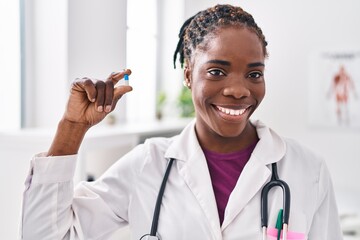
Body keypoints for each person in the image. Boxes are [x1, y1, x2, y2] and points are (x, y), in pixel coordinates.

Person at [21, 4, 343, 240]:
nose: (238, 89)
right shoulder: (147, 166)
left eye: (254, 74)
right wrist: (72, 128)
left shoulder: (307, 170)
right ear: (189, 74)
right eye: (217, 71)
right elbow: (46, 236)